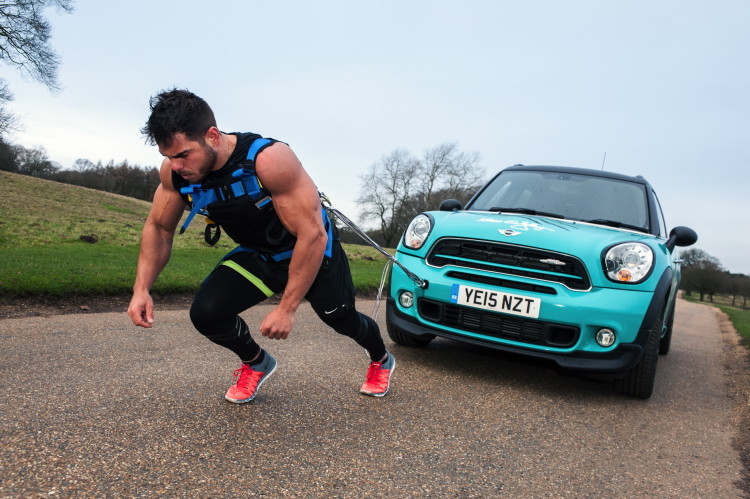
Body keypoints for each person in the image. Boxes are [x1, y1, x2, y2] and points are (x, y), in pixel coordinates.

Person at [127, 88, 394, 403]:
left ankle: (381, 359)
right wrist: (141, 289)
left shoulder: (269, 161)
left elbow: (312, 235)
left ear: (212, 136)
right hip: (260, 254)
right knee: (207, 313)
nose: (175, 165)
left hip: (311, 252)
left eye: (183, 154)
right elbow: (159, 228)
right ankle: (256, 362)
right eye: (168, 156)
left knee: (340, 318)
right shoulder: (176, 175)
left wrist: (287, 309)